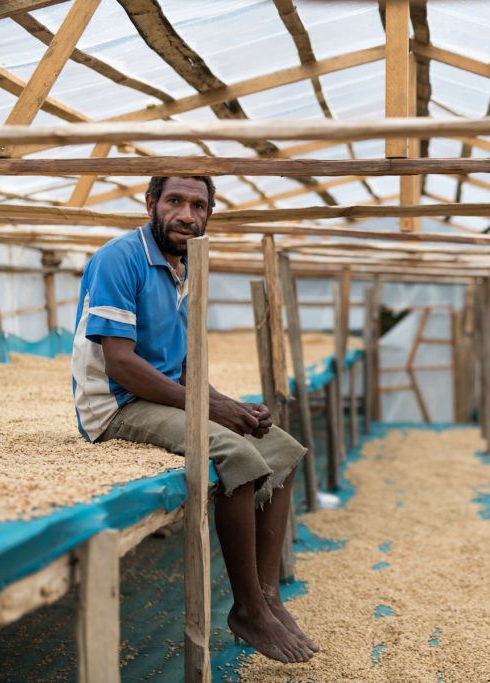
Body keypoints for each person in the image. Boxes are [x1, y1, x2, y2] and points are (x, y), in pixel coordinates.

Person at [71, 175, 317, 664]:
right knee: (233, 452)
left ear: (209, 214)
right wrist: (211, 410)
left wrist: (231, 405)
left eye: (198, 205)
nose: (187, 214)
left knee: (283, 450)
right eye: (175, 201)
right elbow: (120, 364)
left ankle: (267, 596)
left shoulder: (184, 268)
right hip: (117, 405)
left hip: (161, 396)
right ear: (151, 204)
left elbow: (185, 367)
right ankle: (246, 607)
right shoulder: (120, 259)